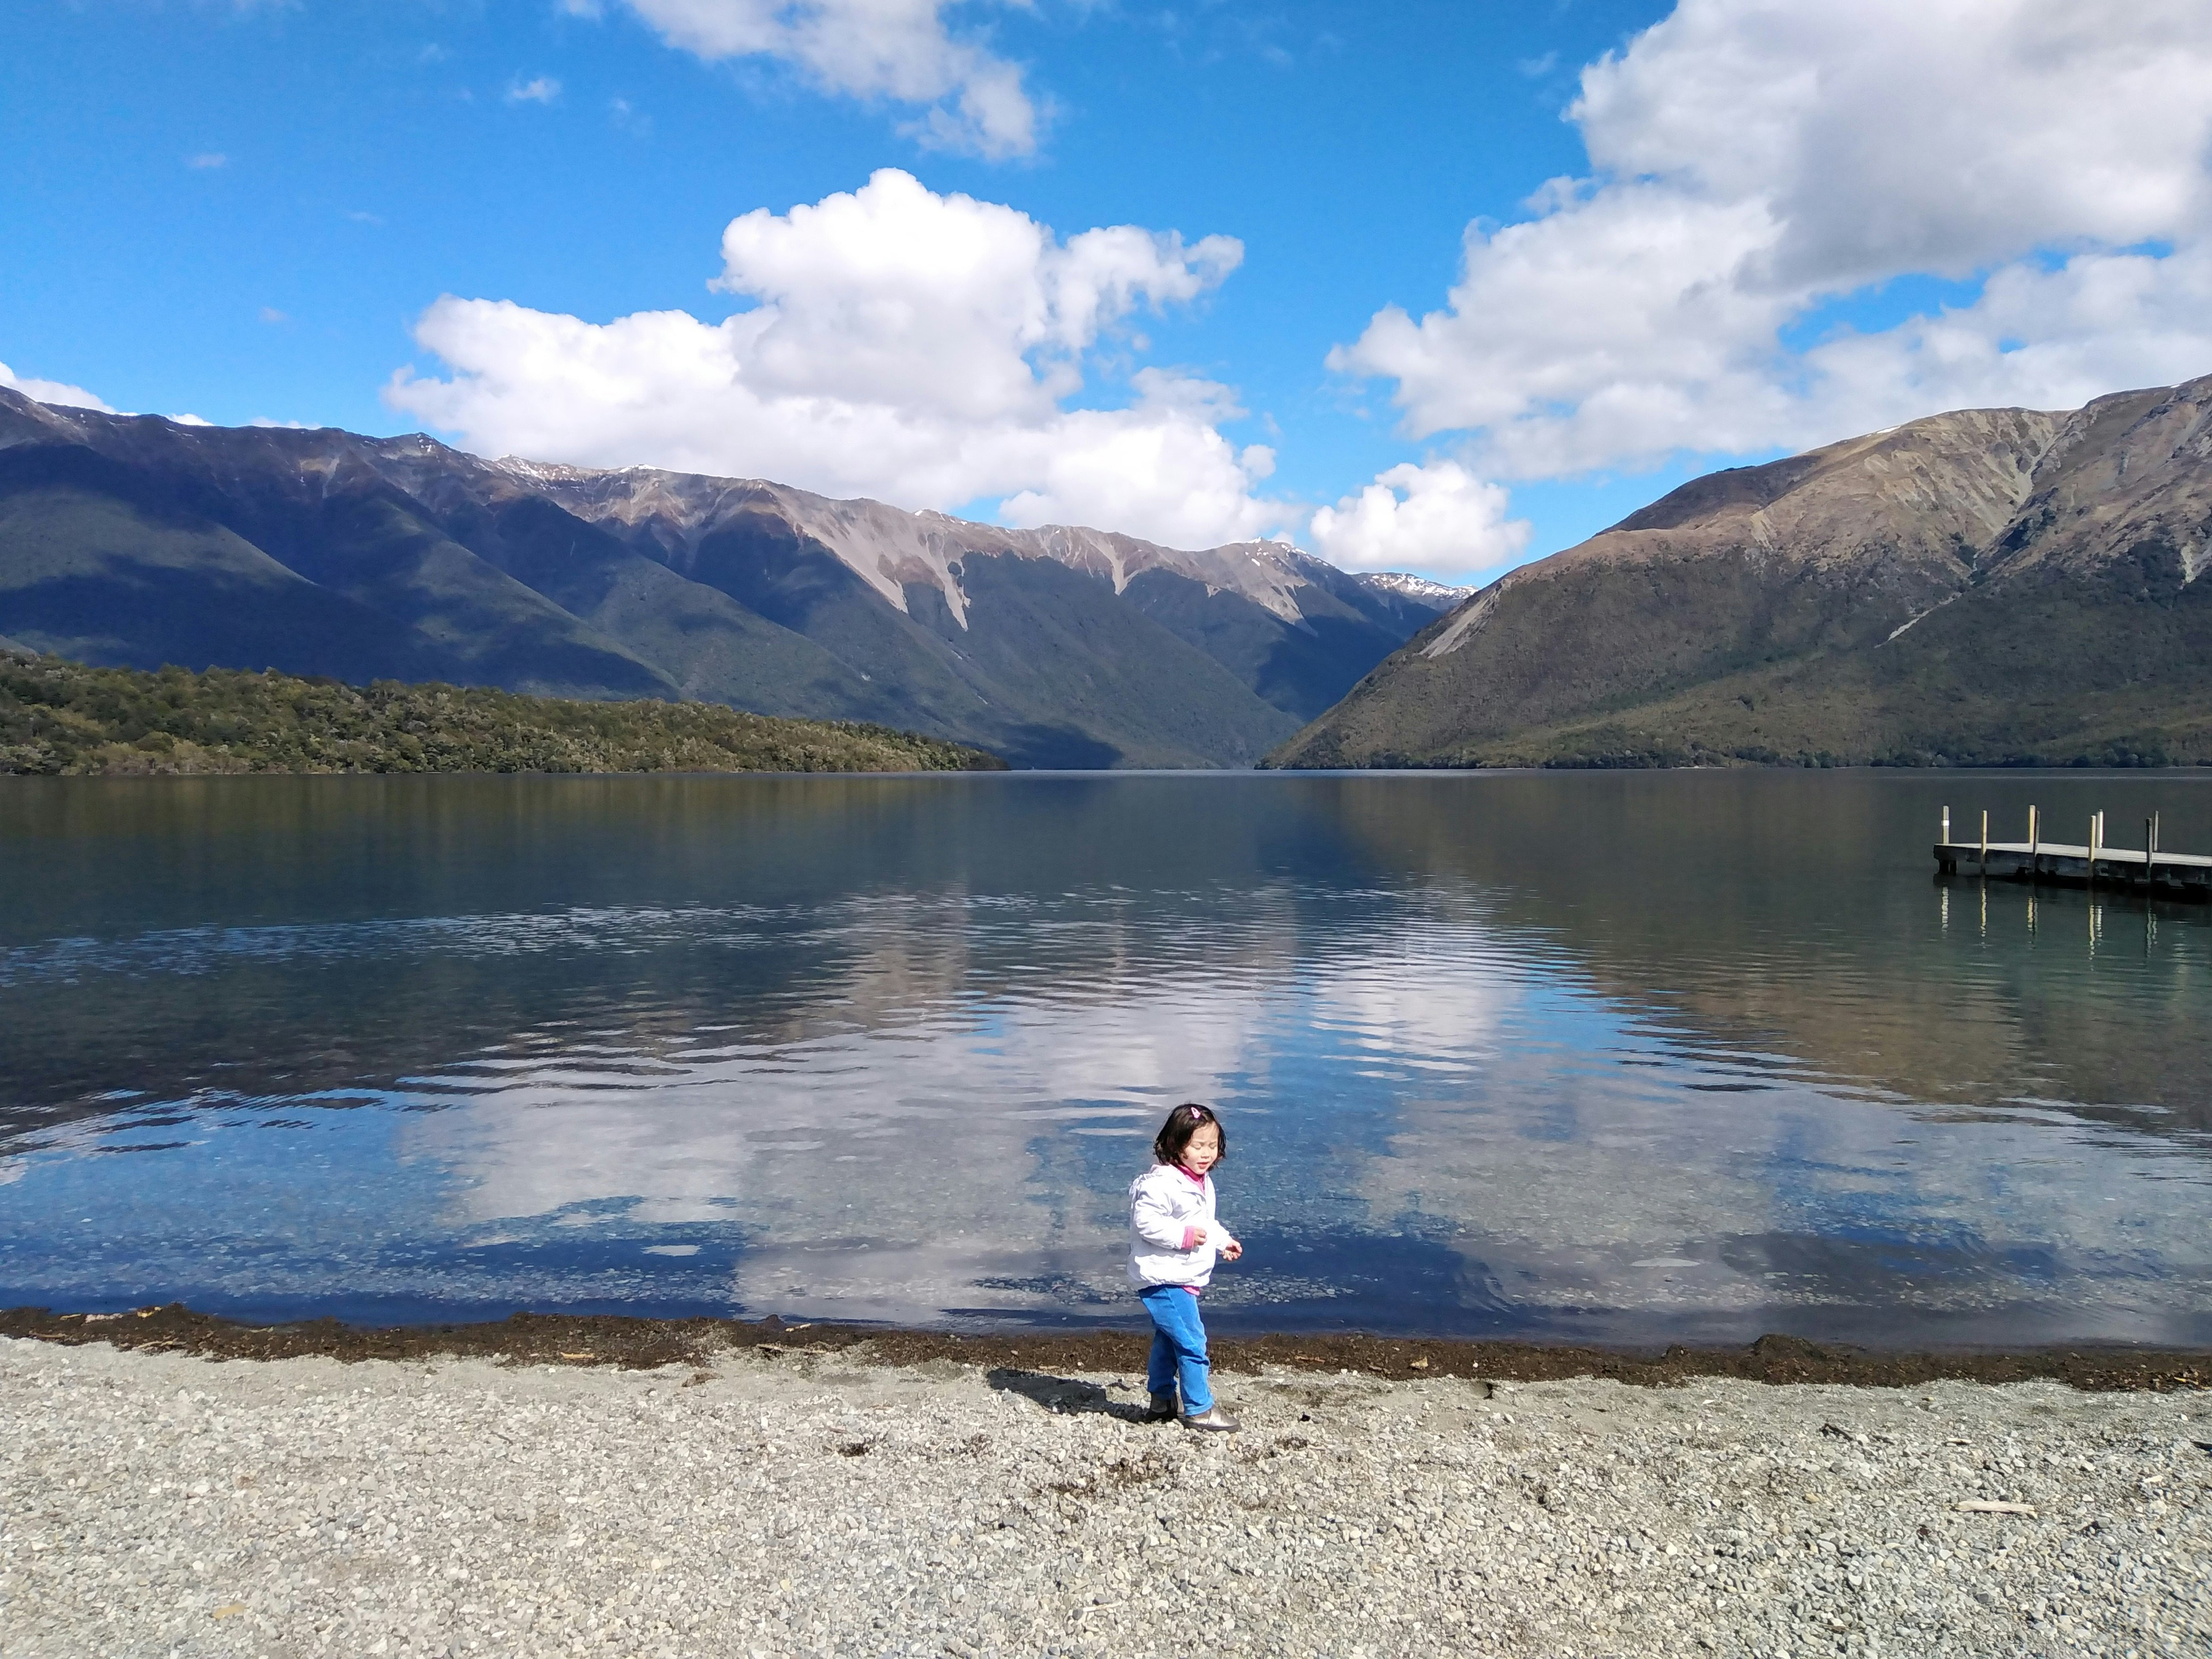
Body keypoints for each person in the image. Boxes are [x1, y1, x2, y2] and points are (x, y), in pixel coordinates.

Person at [1127, 1102, 1243, 1432]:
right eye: (1197, 1146)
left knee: (1168, 1340)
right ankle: (1199, 1408)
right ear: (1176, 1147)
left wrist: (1223, 1241)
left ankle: (1161, 1401)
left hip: (1181, 1277)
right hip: (1162, 1278)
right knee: (1193, 1342)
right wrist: (1184, 1237)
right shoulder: (1161, 1184)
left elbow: (1205, 1222)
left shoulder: (1199, 1181)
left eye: (1213, 1146)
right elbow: (1146, 1223)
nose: (1206, 1154)